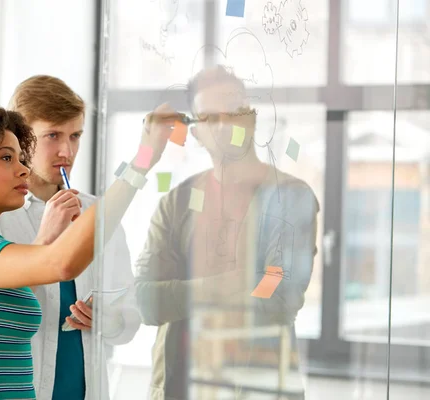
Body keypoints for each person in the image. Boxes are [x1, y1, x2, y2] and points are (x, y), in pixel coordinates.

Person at [0, 96, 174, 399]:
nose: (23, 170)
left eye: (21, 158)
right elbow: (61, 264)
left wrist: (46, 240)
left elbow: (43, 267)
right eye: (7, 158)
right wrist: (142, 161)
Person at [134, 65, 319, 399]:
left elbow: (277, 298)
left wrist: (183, 294)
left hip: (259, 386)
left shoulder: (290, 197)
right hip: (180, 385)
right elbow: (147, 301)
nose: (223, 126)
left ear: (251, 117)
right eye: (208, 118)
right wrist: (241, 282)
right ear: (195, 131)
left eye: (233, 113)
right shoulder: (176, 203)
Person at [0, 75, 141, 400]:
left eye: (75, 135)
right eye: (53, 135)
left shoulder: (99, 215)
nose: (67, 150)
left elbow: (130, 315)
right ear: (21, 140)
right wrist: (47, 238)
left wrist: (109, 319)